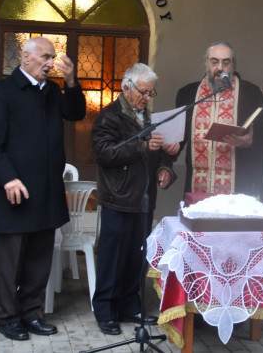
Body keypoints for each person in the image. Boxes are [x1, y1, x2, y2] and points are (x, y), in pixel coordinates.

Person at [0, 37, 87, 341]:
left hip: (48, 189)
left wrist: (71, 82)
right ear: (25, 57)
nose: (50, 63)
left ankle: (31, 313)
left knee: (40, 260)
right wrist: (8, 178)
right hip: (16, 189)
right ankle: (8, 318)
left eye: (52, 58)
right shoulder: (2, 90)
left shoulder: (51, 90)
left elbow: (76, 113)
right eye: (45, 57)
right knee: (11, 261)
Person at [91, 63, 177, 335]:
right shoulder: (109, 117)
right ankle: (105, 310)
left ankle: (130, 305)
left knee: (136, 257)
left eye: (151, 93)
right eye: (143, 92)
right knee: (112, 257)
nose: (147, 98)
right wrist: (141, 146)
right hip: (118, 198)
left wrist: (165, 168)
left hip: (143, 199)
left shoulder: (151, 119)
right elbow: (104, 153)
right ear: (126, 88)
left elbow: (160, 153)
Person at [173, 42, 263, 201]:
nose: (220, 68)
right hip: (197, 185)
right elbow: (178, 138)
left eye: (226, 62)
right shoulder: (188, 94)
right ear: (206, 62)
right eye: (214, 62)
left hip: (238, 186)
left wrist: (249, 143)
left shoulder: (250, 93)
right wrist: (166, 162)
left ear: (233, 65)